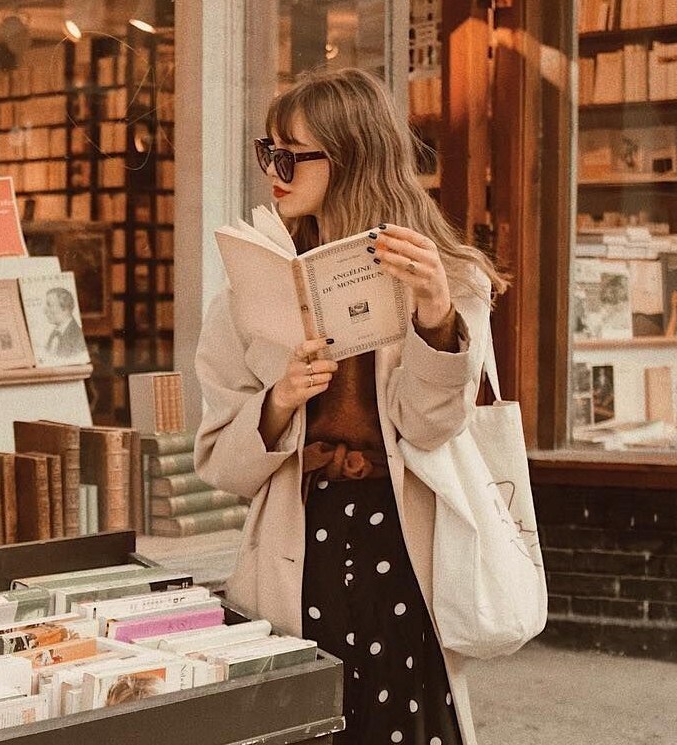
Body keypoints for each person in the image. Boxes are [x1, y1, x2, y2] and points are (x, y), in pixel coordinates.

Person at [194, 67, 509, 745]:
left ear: (351, 155)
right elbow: (220, 463)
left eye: (290, 154)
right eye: (265, 152)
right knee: (303, 723)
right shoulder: (250, 287)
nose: (272, 171)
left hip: (403, 544)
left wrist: (432, 315)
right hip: (299, 537)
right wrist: (278, 401)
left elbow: (432, 426)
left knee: (398, 722)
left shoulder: (450, 278)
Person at [44, 286, 88, 359]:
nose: (45, 311)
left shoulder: (78, 337)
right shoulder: (54, 335)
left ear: (65, 307)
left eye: (49, 305)